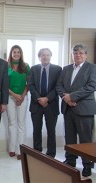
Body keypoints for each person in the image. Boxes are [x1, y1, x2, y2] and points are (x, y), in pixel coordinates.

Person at [56, 43, 96, 177]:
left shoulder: (92, 68)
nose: (77, 55)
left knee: (85, 139)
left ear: (86, 55)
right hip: (68, 108)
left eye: (80, 53)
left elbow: (91, 86)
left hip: (84, 109)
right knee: (70, 137)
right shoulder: (66, 69)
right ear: (72, 54)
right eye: (75, 53)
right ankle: (70, 161)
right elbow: (59, 85)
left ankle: (87, 165)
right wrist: (66, 98)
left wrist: (72, 97)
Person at [28, 48, 62, 158]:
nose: (45, 57)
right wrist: (39, 99)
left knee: (51, 131)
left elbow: (58, 87)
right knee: (36, 130)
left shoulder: (57, 69)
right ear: (39, 57)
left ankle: (51, 154)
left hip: (51, 104)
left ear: (50, 56)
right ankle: (37, 152)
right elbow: (31, 85)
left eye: (47, 55)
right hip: (36, 104)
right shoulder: (33, 69)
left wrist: (47, 98)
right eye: (43, 55)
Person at [6, 45, 30, 160]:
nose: (16, 54)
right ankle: (11, 149)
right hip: (10, 97)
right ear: (11, 53)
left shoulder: (26, 66)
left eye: (18, 52)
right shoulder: (6, 66)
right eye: (14, 52)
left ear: (21, 54)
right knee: (12, 123)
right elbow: (3, 85)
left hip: (23, 97)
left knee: (21, 124)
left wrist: (22, 96)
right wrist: (14, 95)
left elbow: (28, 83)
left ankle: (20, 150)